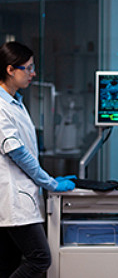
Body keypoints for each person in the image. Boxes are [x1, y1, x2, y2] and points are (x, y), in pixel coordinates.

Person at [0, 42, 76, 278]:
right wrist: (50, 182)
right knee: (39, 258)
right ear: (11, 70)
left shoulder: (16, 102)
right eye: (28, 68)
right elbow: (18, 153)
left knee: (9, 262)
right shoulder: (1, 106)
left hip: (21, 196)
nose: (34, 73)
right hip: (14, 199)